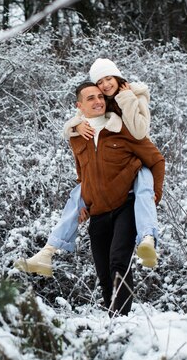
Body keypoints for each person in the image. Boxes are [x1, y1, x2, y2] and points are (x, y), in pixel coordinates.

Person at [14, 58, 159, 276]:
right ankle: (48, 251)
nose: (105, 86)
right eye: (100, 82)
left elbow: (139, 133)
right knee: (77, 195)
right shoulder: (98, 107)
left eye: (108, 78)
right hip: (102, 190)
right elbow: (83, 130)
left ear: (117, 76)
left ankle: (147, 238)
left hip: (136, 161)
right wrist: (75, 124)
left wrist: (127, 97)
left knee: (144, 191)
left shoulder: (135, 94)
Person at [68, 81, 165, 316]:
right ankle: (112, 317)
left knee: (118, 261)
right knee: (103, 271)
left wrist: (155, 195)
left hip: (126, 204)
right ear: (79, 105)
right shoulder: (77, 137)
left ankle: (120, 318)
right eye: (90, 98)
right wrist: (84, 204)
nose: (98, 101)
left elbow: (156, 160)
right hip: (98, 211)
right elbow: (83, 174)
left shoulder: (122, 128)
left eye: (100, 96)